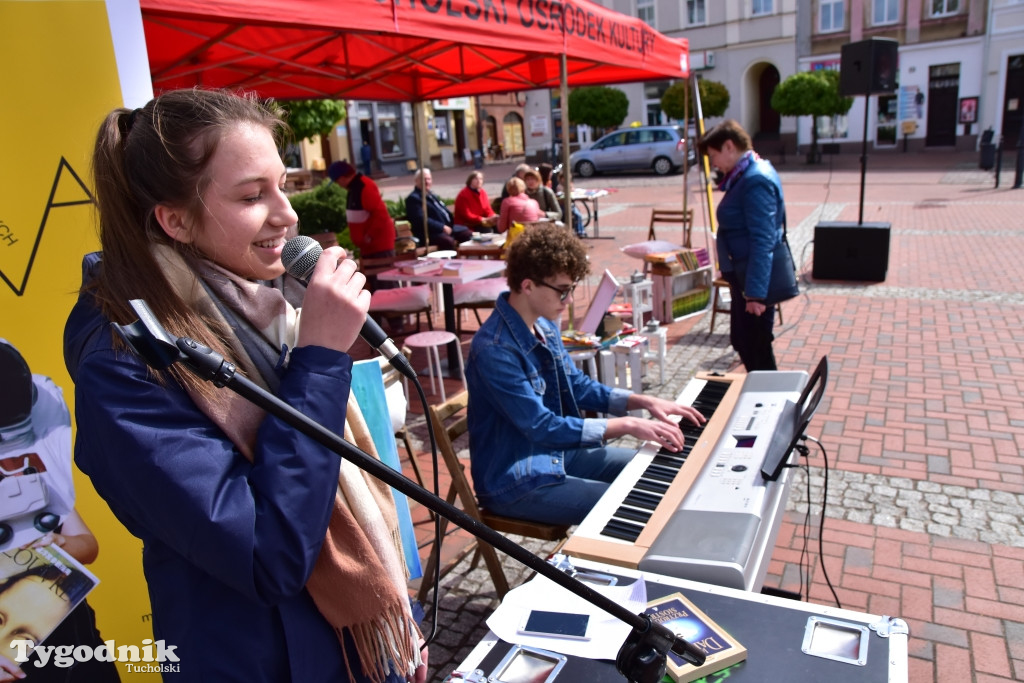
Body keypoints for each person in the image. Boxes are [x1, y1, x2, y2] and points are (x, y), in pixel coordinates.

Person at [63, 89, 426, 683]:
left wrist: (395, 619)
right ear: (174, 219)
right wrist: (319, 359)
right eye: (253, 195)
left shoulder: (256, 306)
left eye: (283, 185)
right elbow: (265, 552)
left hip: (343, 650)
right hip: (257, 660)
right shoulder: (123, 359)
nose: (287, 213)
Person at [464, 225, 705, 526]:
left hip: (558, 453)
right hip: (515, 480)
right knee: (632, 507)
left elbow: (576, 385)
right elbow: (542, 427)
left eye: (571, 289)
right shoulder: (494, 350)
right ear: (527, 285)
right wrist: (627, 425)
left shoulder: (544, 323)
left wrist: (641, 400)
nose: (568, 299)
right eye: (563, 290)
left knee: (659, 470)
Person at [698, 119, 787, 371]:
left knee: (756, 346)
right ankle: (762, 396)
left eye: (714, 155)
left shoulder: (755, 179)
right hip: (744, 277)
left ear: (729, 146)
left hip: (753, 282)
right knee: (744, 340)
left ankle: (768, 402)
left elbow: (763, 239)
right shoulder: (744, 175)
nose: (713, 162)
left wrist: (756, 293)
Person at [328, 160, 397, 290]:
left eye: (337, 182)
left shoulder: (364, 186)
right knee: (374, 286)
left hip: (378, 246)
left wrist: (369, 236)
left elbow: (381, 215)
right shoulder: (354, 188)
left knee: (385, 285)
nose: (339, 185)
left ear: (342, 178)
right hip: (369, 247)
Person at [404, 168, 471, 251]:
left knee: (467, 234)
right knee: (448, 241)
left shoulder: (431, 195)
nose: (427, 182)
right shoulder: (413, 199)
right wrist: (441, 227)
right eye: (423, 179)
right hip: (430, 233)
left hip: (445, 228)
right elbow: (420, 219)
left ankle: (467, 260)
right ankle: (450, 263)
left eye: (429, 179)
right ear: (416, 181)